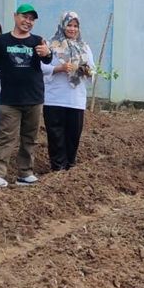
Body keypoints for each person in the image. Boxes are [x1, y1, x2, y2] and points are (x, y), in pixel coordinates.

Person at [0, 4, 53, 189]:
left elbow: (47, 60)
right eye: (24, 17)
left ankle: (25, 173)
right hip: (10, 100)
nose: (27, 21)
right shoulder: (1, 42)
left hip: (34, 98)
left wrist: (48, 53)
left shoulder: (37, 41)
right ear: (15, 16)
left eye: (31, 19)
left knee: (30, 138)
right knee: (6, 136)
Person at [42, 11, 95, 170]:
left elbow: (92, 70)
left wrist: (84, 70)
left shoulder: (84, 47)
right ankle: (57, 168)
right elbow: (42, 68)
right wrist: (60, 68)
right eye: (69, 25)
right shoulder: (51, 45)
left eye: (75, 26)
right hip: (55, 98)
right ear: (62, 25)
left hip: (75, 99)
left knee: (73, 135)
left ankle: (70, 167)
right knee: (56, 135)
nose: (72, 29)